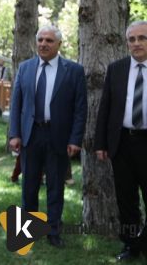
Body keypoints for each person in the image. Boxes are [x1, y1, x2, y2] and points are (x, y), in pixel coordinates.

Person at [8, 25, 87, 248]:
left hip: (58, 136)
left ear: (59, 44)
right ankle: (27, 232)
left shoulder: (73, 71)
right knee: (29, 185)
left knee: (55, 185)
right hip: (30, 135)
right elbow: (17, 104)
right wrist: (14, 133)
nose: (43, 44)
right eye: (41, 39)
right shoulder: (25, 68)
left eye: (49, 40)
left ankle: (54, 231)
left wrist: (75, 139)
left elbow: (81, 109)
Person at [94, 21, 147, 261]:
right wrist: (101, 143)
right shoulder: (116, 69)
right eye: (132, 39)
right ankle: (131, 246)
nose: (136, 43)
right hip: (122, 143)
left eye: (142, 38)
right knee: (126, 200)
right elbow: (105, 108)